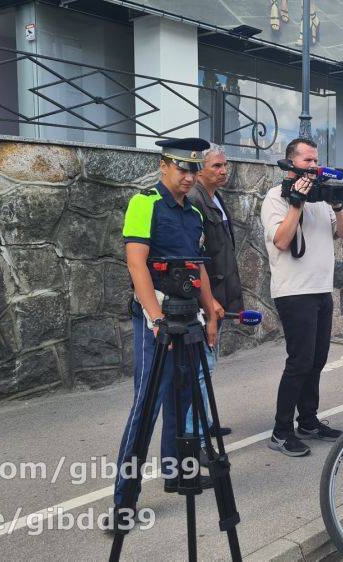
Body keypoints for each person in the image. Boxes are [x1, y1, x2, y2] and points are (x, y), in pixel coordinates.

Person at [112, 137, 221, 515]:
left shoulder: (193, 214)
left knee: (185, 397)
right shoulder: (145, 204)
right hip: (155, 317)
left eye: (193, 169)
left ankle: (177, 473)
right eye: (182, 168)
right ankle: (124, 500)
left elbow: (198, 266)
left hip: (188, 316)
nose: (189, 176)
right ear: (164, 166)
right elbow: (136, 264)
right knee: (147, 405)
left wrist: (209, 314)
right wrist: (156, 319)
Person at [260, 137, 343, 457]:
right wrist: (296, 204)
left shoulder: (320, 198)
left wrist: (337, 205)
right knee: (299, 362)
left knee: (316, 361)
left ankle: (309, 422)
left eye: (316, 161)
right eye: (307, 161)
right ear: (290, 162)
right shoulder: (276, 198)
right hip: (294, 292)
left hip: (320, 290)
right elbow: (284, 241)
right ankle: (281, 431)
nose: (314, 166)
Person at [182, 143, 244, 437]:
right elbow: (198, 258)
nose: (224, 171)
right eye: (216, 166)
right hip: (205, 300)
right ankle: (197, 433)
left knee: (207, 368)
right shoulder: (195, 200)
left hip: (217, 296)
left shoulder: (214, 197)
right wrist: (208, 306)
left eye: (225, 165)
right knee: (201, 370)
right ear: (200, 169)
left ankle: (205, 423)